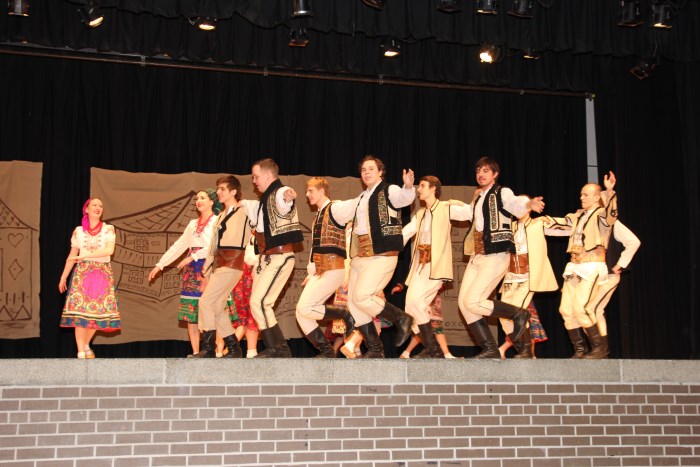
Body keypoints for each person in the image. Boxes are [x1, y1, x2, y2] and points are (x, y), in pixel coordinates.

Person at [457, 157, 545, 358]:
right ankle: (490, 349)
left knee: (473, 301)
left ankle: (518, 313)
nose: (481, 174)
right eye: (478, 170)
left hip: (496, 254)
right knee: (464, 304)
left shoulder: (501, 192)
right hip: (477, 256)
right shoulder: (479, 197)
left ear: (495, 174)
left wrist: (528, 203)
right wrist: (442, 208)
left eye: (486, 171)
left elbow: (515, 204)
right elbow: (466, 213)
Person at [346, 155, 416, 358]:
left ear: (380, 172)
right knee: (353, 304)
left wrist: (408, 187)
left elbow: (404, 199)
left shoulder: (389, 190)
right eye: (363, 170)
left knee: (362, 296)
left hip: (381, 254)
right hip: (361, 256)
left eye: (371, 169)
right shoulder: (361, 198)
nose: (366, 172)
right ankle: (376, 349)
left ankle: (401, 318)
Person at [547, 173, 618, 359]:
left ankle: (600, 349)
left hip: (592, 266)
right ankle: (580, 350)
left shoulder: (601, 215)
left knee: (582, 307)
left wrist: (609, 191)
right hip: (574, 266)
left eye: (586, 195)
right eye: (581, 194)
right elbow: (560, 223)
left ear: (596, 197)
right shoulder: (578, 216)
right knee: (566, 310)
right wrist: (539, 220)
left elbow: (611, 215)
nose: (581, 197)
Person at [239, 158, 304, 358]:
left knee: (259, 302)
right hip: (266, 259)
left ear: (268, 175)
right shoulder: (263, 203)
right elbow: (249, 207)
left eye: (256, 177)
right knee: (258, 304)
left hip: (280, 256)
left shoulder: (278, 193)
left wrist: (288, 196)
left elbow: (284, 200)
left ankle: (277, 348)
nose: (254, 181)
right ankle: (280, 348)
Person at [399, 175, 470, 358]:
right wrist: (385, 244)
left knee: (416, 304)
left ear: (433, 189)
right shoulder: (420, 214)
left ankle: (433, 349)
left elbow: (469, 213)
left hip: (436, 266)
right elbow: (405, 234)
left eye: (422, 186)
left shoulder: (446, 208)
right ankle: (434, 349)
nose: (418, 189)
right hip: (420, 266)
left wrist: (462, 203)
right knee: (411, 306)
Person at [148, 189, 221, 356]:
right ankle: (196, 353)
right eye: (197, 198)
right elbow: (179, 246)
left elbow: (214, 246)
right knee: (191, 314)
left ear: (212, 201)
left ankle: (216, 352)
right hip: (192, 272)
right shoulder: (192, 224)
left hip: (209, 267)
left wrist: (192, 256)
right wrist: (160, 265)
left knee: (213, 312)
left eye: (203, 198)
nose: (198, 201)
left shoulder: (217, 221)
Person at [296, 177, 358, 357]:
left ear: (322, 191)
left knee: (305, 308)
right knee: (301, 313)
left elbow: (355, 204)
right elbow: (315, 248)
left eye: (311, 191)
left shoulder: (335, 208)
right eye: (307, 191)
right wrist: (311, 272)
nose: (307, 195)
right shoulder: (318, 216)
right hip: (321, 270)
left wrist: (370, 193)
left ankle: (344, 314)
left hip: (334, 268)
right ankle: (327, 351)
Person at [191, 175, 251, 358]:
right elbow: (213, 245)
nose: (218, 192)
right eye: (218, 189)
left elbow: (264, 209)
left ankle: (209, 349)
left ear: (233, 191)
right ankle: (234, 348)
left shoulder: (245, 210)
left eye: (222, 189)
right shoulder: (220, 216)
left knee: (205, 302)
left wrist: (287, 194)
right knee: (217, 308)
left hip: (232, 263)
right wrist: (207, 268)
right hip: (219, 265)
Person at [496, 207, 568, 358]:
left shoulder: (538, 225)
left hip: (528, 276)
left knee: (518, 311)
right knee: (504, 317)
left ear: (529, 209)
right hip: (511, 276)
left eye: (522, 206)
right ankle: (524, 351)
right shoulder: (509, 226)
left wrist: (548, 219)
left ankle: (526, 351)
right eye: (517, 206)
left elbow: (566, 229)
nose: (518, 209)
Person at [59, 198, 120, 358]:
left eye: (101, 205)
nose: (98, 207)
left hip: (101, 273)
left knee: (97, 314)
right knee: (80, 313)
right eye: (94, 205)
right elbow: (72, 256)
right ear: (86, 209)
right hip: (83, 274)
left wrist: (85, 255)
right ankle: (81, 351)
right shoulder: (78, 231)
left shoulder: (108, 229)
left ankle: (86, 344)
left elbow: (109, 250)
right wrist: (63, 277)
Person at [589, 220, 640, 357]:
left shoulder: (611, 223)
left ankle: (600, 349)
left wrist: (620, 264)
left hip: (608, 276)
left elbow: (633, 242)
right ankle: (599, 350)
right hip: (591, 275)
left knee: (592, 309)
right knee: (590, 310)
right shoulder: (588, 221)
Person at [398, 289, 458, 359]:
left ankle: (406, 353)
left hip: (422, 323)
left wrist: (439, 313)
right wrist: (440, 318)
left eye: (439, 302)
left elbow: (434, 313)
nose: (437, 304)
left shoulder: (434, 298)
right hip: (421, 321)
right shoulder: (427, 299)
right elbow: (429, 316)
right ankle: (447, 354)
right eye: (437, 302)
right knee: (436, 329)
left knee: (422, 333)